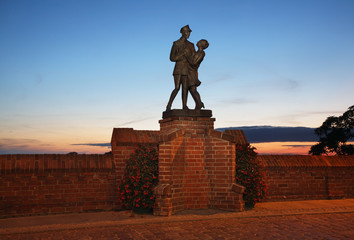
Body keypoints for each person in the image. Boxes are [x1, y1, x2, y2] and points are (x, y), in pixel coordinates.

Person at [166, 25, 195, 110]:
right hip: (178, 69)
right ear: (182, 33)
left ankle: (184, 106)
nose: (188, 34)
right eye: (187, 32)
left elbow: (193, 58)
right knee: (177, 88)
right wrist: (182, 54)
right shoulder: (176, 43)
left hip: (187, 69)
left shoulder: (191, 45)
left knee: (185, 89)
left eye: (189, 32)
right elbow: (172, 58)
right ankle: (169, 105)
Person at [186, 39, 209, 110]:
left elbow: (194, 63)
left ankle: (199, 103)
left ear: (201, 44)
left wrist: (186, 56)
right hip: (190, 71)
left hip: (192, 71)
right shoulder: (198, 52)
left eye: (200, 41)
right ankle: (199, 103)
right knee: (192, 89)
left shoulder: (201, 53)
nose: (198, 41)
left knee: (192, 89)